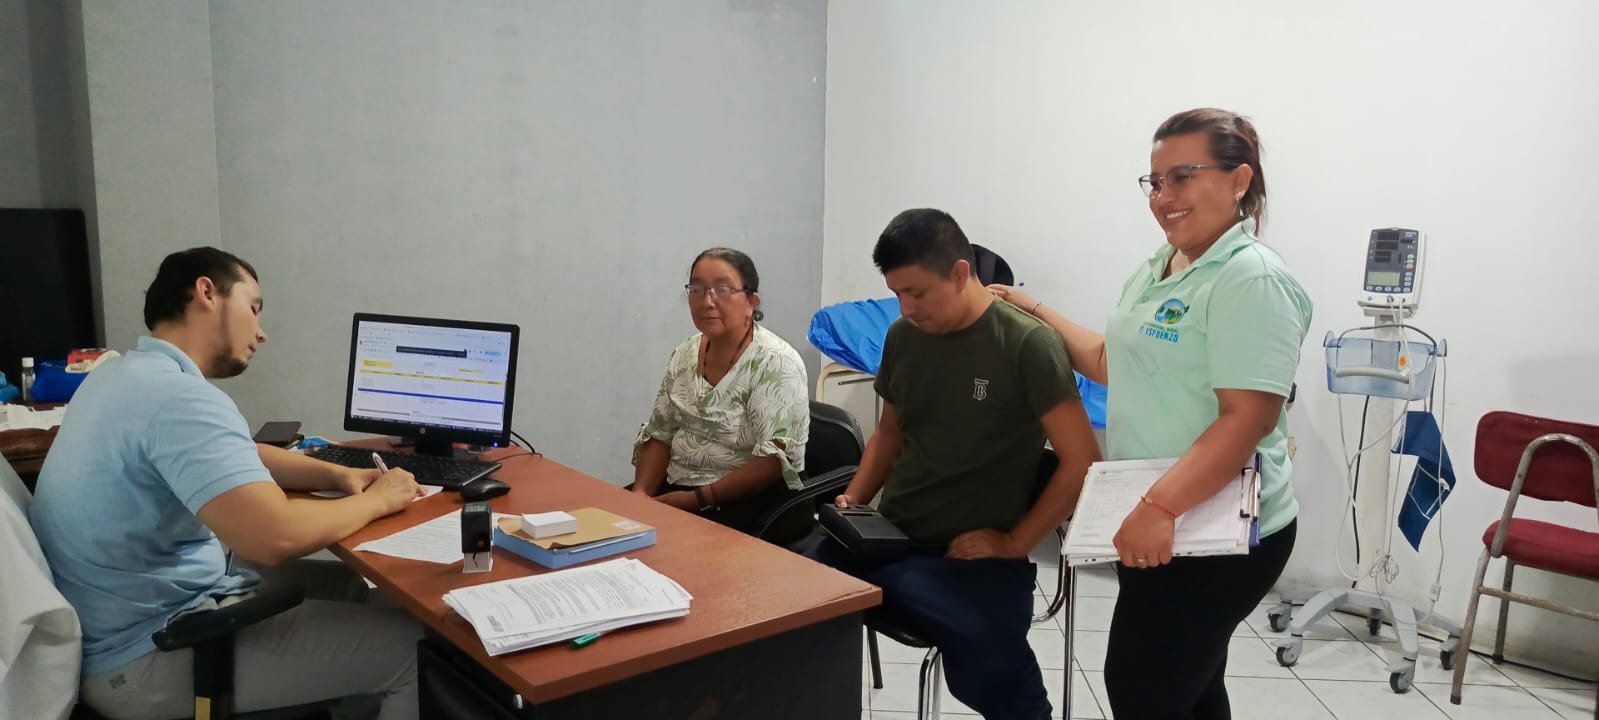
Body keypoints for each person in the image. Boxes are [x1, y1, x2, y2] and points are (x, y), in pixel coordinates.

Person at [992, 108, 1312, 719]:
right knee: (1192, 687)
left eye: (1183, 176)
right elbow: (1110, 360)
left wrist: (1159, 507)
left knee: (1142, 688)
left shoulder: (1251, 280)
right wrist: (1029, 308)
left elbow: (1247, 419)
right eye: (1156, 181)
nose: (1163, 197)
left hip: (1217, 529)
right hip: (1158, 512)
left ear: (1239, 180)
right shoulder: (1160, 265)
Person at [30, 247, 425, 720]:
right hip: (148, 656)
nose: (261, 332)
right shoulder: (179, 399)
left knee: (355, 588)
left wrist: (337, 473)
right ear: (207, 293)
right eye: (254, 308)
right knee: (414, 647)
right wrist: (378, 501)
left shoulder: (121, 374)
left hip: (127, 623)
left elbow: (237, 454)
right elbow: (272, 538)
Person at [807, 209, 1101, 720]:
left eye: (917, 292)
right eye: (897, 293)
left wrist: (1015, 543)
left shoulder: (1026, 344)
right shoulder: (903, 337)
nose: (906, 307)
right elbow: (889, 432)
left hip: (967, 557)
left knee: (1001, 675)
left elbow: (1082, 462)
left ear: (961, 273)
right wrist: (855, 500)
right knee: (784, 599)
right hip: (887, 539)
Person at [631, 248, 810, 538]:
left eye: (723, 290)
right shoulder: (685, 352)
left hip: (750, 500)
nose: (707, 301)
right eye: (697, 289)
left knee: (668, 547)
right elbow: (661, 432)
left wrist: (699, 499)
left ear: (751, 302)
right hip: (680, 491)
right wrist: (640, 497)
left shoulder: (776, 362)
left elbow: (771, 464)